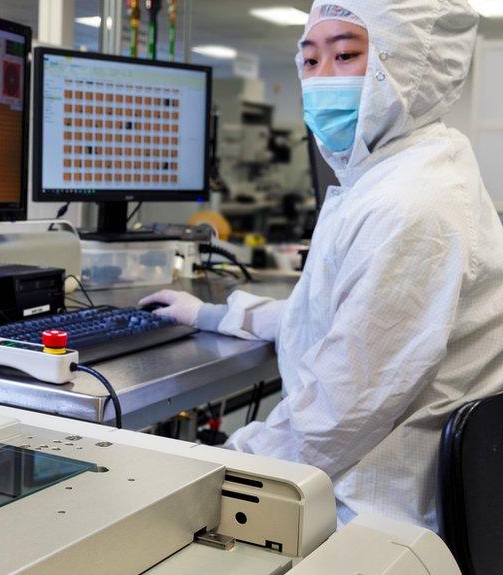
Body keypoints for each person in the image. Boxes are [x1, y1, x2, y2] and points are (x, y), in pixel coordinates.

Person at [139, 0, 503, 532]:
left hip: (373, 513)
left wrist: (217, 465)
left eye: (347, 55)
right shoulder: (398, 174)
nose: (322, 80)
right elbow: (335, 322)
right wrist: (215, 315)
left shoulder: (410, 205)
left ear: (411, 67)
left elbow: (336, 415)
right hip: (364, 478)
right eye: (310, 61)